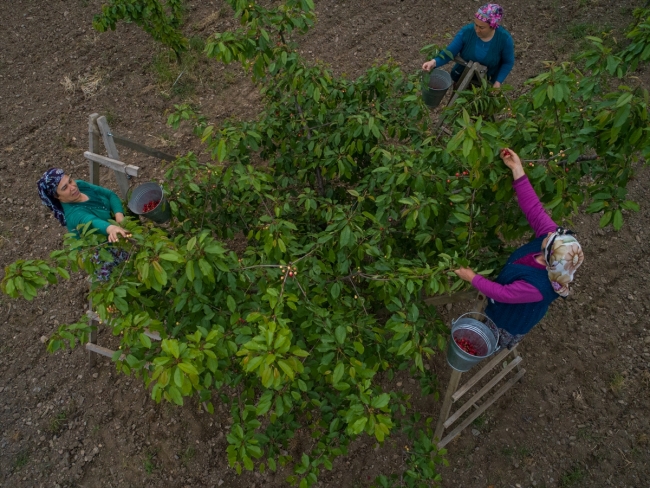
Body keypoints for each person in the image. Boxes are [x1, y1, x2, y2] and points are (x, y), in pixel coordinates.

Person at [454, 149, 584, 349]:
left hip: (511, 321)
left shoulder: (538, 288)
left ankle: (492, 345)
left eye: (551, 238)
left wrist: (472, 278)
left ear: (548, 255)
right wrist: (517, 169)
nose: (550, 232)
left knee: (494, 334)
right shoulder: (553, 246)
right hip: (506, 300)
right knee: (493, 314)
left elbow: (503, 294)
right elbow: (533, 209)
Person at [37, 168, 131, 280]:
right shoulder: (74, 214)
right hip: (101, 249)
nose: (72, 187)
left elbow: (110, 195)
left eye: (70, 181)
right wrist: (110, 228)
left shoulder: (81, 185)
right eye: (64, 188)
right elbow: (92, 221)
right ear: (57, 196)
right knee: (122, 275)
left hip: (116, 233)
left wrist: (119, 216)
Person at [422, 4, 514, 88]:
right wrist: (434, 62)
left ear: (493, 26)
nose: (477, 30)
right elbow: (450, 52)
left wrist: (498, 82)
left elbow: (508, 62)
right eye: (476, 25)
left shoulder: (504, 39)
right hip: (462, 78)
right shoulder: (467, 32)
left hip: (486, 83)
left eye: (482, 27)